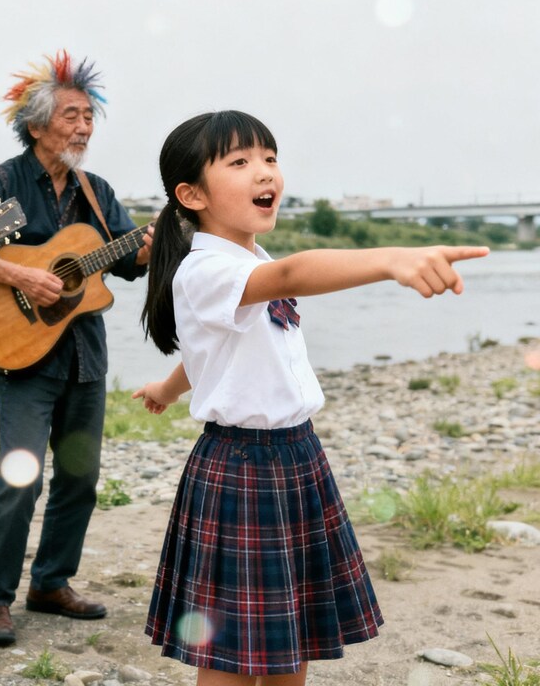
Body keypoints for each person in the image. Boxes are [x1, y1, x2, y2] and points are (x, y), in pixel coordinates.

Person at [131, 110, 489, 685]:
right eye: (240, 161)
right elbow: (294, 276)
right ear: (192, 194)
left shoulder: (251, 261)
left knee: (292, 632)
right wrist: (390, 259)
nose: (264, 171)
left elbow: (213, 352)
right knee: (228, 650)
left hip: (299, 456)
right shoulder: (206, 270)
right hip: (242, 467)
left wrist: (166, 388)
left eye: (270, 158)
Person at [0, 50, 153, 646]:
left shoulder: (95, 191)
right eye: (70, 116)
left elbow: (128, 260)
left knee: (81, 478)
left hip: (84, 354)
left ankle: (51, 583)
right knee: (21, 478)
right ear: (36, 126)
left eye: (89, 117)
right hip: (21, 356)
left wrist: (152, 242)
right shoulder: (3, 184)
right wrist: (22, 276)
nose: (83, 127)